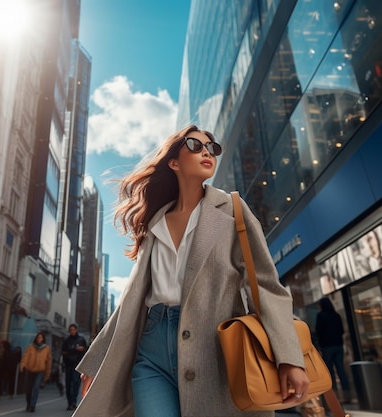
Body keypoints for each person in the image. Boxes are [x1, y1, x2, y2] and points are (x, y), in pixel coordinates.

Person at [74, 125, 309, 417]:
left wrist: (289, 357)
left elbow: (265, 285)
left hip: (217, 350)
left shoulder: (233, 210)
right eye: (195, 146)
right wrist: (96, 362)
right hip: (152, 350)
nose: (207, 152)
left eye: (211, 147)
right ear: (174, 162)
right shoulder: (154, 225)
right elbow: (129, 304)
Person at [315, 297, 351, 403]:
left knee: (329, 373)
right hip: (338, 345)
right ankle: (347, 396)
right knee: (341, 371)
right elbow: (341, 330)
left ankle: (334, 398)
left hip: (327, 346)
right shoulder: (336, 315)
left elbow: (319, 331)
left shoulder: (321, 316)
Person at [20, 332, 52, 412]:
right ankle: (28, 403)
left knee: (36, 387)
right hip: (30, 370)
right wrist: (23, 365)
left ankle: (32, 405)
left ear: (43, 339)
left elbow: (48, 361)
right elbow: (25, 357)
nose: (39, 339)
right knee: (29, 389)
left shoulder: (46, 348)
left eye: (41, 338)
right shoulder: (30, 347)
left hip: (40, 370)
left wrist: (47, 373)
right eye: (38, 337)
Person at [61, 323, 87, 410]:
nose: (72, 331)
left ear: (76, 330)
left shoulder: (81, 340)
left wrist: (82, 349)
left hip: (77, 365)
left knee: (76, 383)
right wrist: (73, 350)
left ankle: (73, 402)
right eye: (71, 330)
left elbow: (85, 351)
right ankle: (69, 402)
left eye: (73, 330)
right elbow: (63, 352)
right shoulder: (67, 340)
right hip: (68, 365)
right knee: (68, 384)